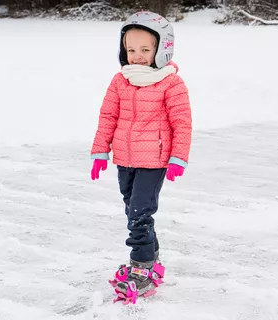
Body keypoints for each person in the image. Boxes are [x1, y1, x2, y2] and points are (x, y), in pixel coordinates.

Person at [90, 11, 192, 299]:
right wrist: (100, 151)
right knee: (133, 210)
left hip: (155, 160)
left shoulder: (171, 83)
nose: (136, 56)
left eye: (145, 50)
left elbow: (181, 123)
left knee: (139, 213)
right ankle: (151, 255)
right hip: (125, 158)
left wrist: (177, 157)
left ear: (162, 49)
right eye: (131, 49)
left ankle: (141, 265)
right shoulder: (120, 80)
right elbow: (108, 116)